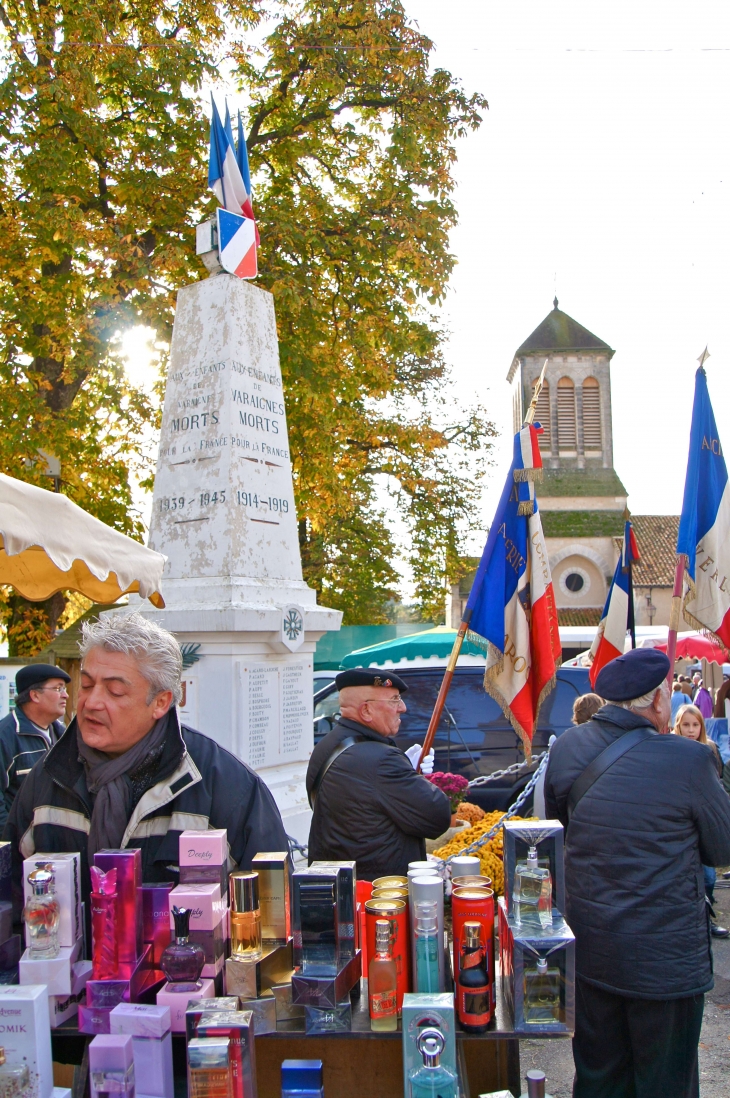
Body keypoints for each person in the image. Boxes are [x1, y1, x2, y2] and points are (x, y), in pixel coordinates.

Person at [4, 613, 288, 917]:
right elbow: (10, 898)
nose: (91, 702)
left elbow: (274, 915)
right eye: (86, 686)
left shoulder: (227, 786)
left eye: (114, 691)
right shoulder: (48, 776)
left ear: (160, 702)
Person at [544, 648, 730, 1098]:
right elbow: (722, 847)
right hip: (664, 962)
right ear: (660, 702)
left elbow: (560, 829)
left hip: (594, 949)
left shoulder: (568, 745)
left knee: (598, 1076)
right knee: (664, 1083)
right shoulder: (688, 759)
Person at [306, 668, 451, 879]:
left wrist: (405, 773)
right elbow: (438, 817)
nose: (403, 707)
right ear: (366, 711)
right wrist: (410, 774)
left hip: (340, 884)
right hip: (380, 894)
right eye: (394, 700)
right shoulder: (382, 761)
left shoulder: (327, 744)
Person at [674, 703, 729, 938]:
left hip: (704, 821)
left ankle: (706, 916)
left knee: (708, 875)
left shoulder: (710, 749)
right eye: (686, 725)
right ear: (678, 726)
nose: (690, 729)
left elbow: (719, 783)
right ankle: (691, 921)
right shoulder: (672, 750)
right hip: (682, 821)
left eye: (695, 725)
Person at [0, 665, 71, 832]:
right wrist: (10, 843)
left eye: (64, 688)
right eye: (58, 688)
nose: (65, 695)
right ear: (35, 695)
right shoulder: (6, 737)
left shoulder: (64, 737)